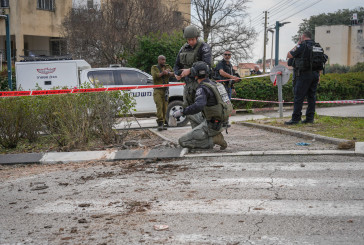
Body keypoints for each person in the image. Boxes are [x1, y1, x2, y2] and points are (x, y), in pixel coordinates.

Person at [172, 61, 232, 150]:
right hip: (222, 121)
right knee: (190, 113)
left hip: (212, 124)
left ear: (194, 74)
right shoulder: (215, 84)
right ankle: (202, 134)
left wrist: (181, 112)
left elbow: (198, 106)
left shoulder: (203, 88)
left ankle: (214, 139)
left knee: (183, 141)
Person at [174, 25, 212, 128]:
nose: (190, 42)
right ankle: (196, 132)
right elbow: (177, 65)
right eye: (188, 40)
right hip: (188, 85)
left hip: (201, 84)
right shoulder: (183, 48)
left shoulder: (204, 47)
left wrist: (190, 71)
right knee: (189, 109)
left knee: (202, 109)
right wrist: (177, 74)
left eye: (192, 39)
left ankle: (206, 132)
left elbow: (207, 66)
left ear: (196, 37)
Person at [285, 31, 320, 125]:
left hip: (304, 74)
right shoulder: (317, 46)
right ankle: (310, 118)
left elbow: (289, 55)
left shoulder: (302, 45)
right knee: (311, 97)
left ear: (303, 36)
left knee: (298, 97)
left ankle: (296, 119)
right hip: (315, 74)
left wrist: (298, 44)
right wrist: (318, 75)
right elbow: (320, 61)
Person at [151, 55, 174, 131]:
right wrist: (162, 73)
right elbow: (155, 76)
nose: (163, 61)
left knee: (165, 107)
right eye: (162, 60)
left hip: (166, 90)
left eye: (164, 60)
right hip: (158, 90)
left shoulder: (167, 66)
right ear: (159, 60)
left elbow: (173, 74)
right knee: (159, 106)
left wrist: (168, 73)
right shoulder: (154, 67)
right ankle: (160, 123)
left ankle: (163, 123)